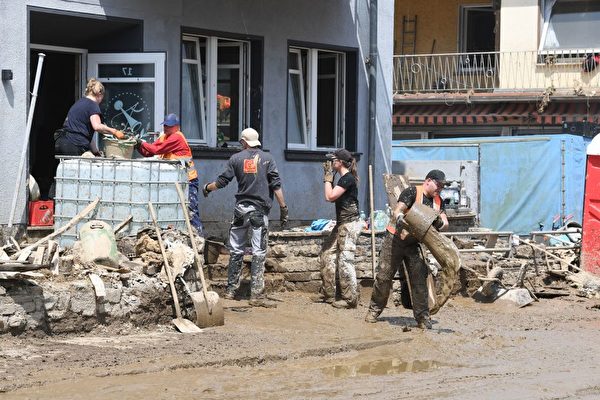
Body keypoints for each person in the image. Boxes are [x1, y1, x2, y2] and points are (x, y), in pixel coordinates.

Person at [202, 128, 288, 308]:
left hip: (240, 210)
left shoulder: (236, 159)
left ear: (243, 142)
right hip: (259, 211)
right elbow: (276, 185)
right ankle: (256, 294)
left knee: (236, 250)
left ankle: (231, 290)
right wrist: (283, 207)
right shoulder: (268, 159)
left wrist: (208, 188)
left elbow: (222, 182)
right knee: (258, 251)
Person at [365, 169, 449, 329]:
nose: (440, 189)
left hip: (414, 244)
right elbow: (398, 209)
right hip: (395, 239)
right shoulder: (412, 192)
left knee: (419, 281)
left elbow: (445, 223)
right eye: (438, 185)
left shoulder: (439, 201)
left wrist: (440, 223)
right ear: (428, 181)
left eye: (443, 187)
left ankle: (423, 318)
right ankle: (374, 310)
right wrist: (400, 217)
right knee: (384, 277)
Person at [135, 113, 204, 235]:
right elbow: (148, 152)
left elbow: (155, 150)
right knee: (177, 211)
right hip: (176, 181)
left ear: (177, 126)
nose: (166, 128)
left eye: (169, 126)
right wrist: (137, 145)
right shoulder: (165, 137)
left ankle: (199, 238)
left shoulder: (177, 137)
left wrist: (140, 142)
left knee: (191, 211)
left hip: (188, 181)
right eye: (165, 125)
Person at [314, 148, 363, 309]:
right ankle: (329, 294)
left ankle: (350, 299)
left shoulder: (347, 179)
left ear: (340, 162)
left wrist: (328, 179)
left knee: (345, 260)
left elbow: (330, 197)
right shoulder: (344, 177)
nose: (330, 163)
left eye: (333, 160)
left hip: (349, 224)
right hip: (342, 223)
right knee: (327, 254)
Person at [54, 78, 125, 156]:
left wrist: (96, 152)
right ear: (99, 94)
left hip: (61, 143)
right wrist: (114, 131)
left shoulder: (79, 103)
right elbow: (97, 126)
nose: (102, 100)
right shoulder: (92, 105)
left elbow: (86, 134)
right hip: (74, 143)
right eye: (103, 97)